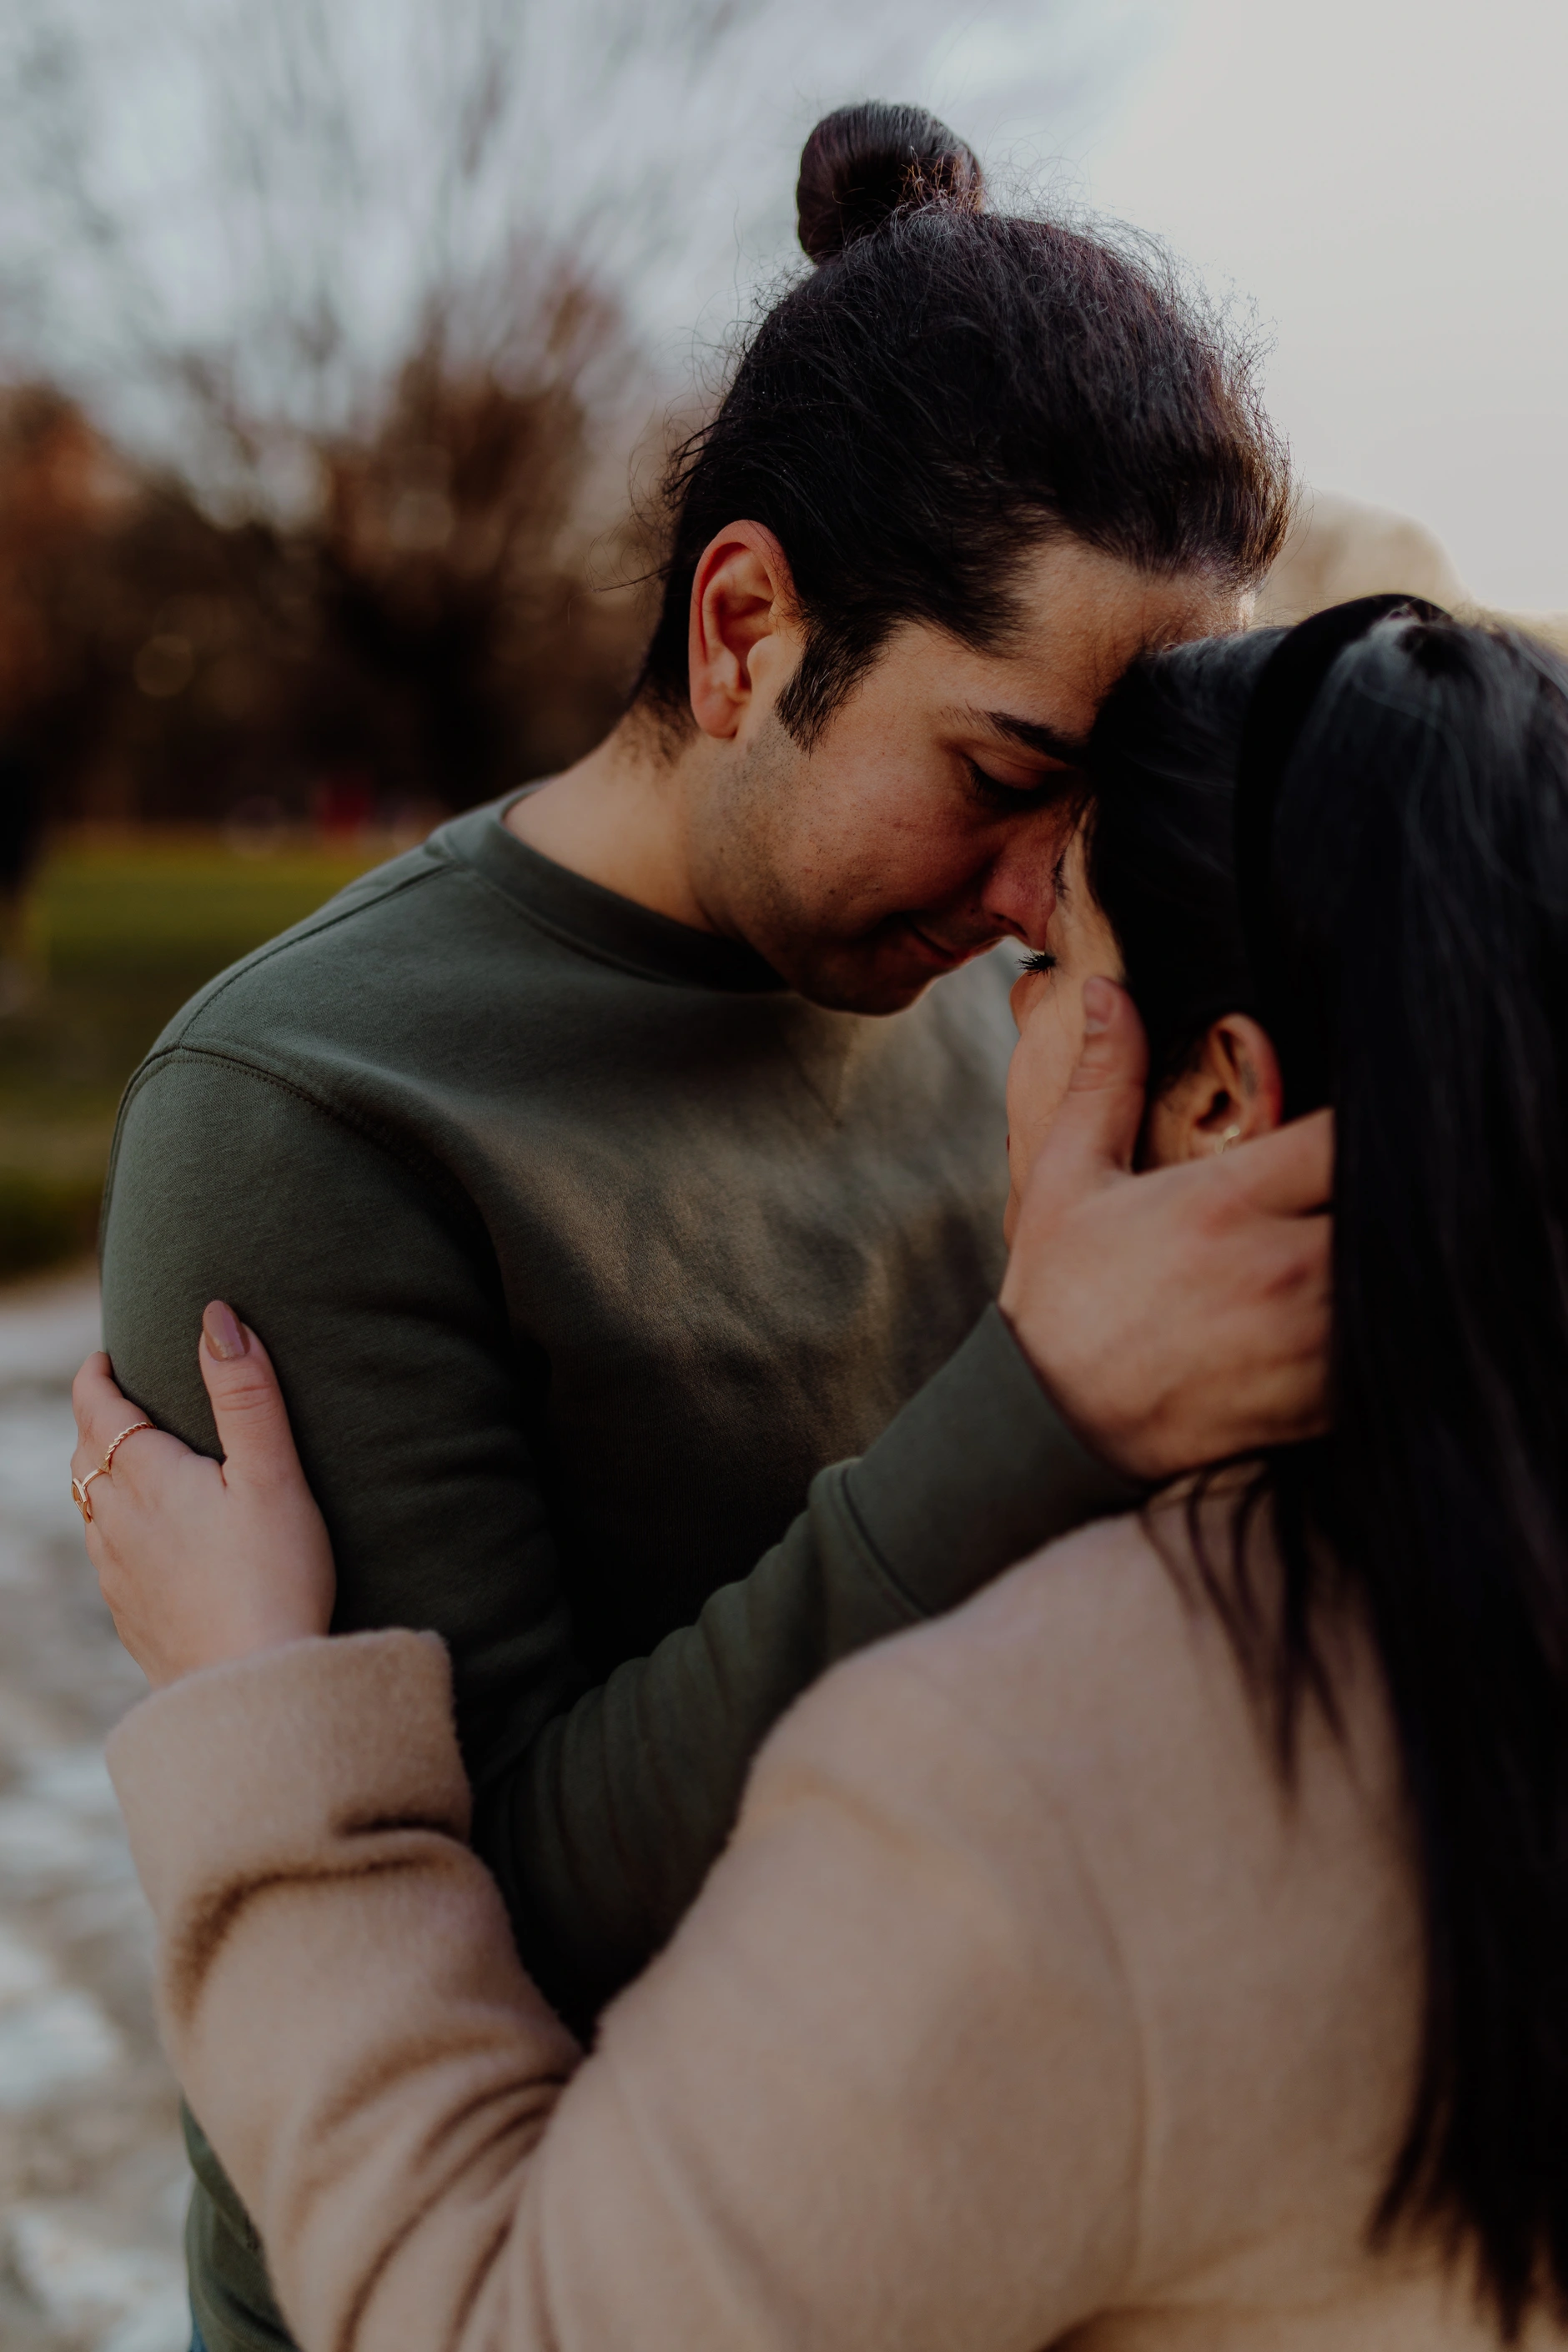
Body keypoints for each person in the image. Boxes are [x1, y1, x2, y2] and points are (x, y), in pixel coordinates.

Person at [98, 101, 1325, 2352]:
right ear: (749, 622)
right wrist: (1049, 1405)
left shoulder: (1010, 995)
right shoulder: (313, 1113)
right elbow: (486, 1918)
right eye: (999, 772)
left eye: (1104, 811)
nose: (1052, 897)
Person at [78, 596, 1568, 2345]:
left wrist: (269, 1719)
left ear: (1221, 1105)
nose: (998, 955)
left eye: (1050, 969)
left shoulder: (1030, 1792)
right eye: (996, 773)